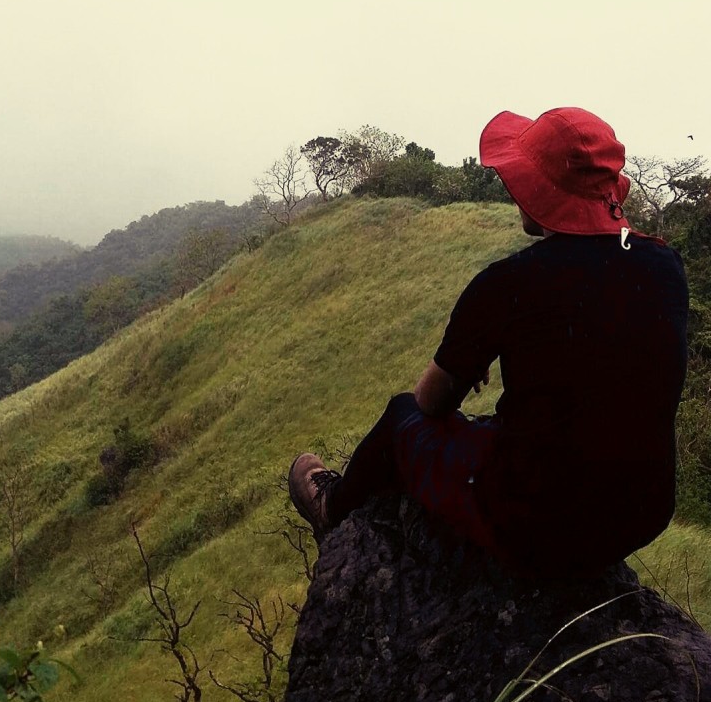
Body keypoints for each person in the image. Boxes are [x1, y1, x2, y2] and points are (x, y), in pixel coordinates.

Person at [289, 107, 689, 576]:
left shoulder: (509, 283)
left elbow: (431, 402)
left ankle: (332, 507)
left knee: (402, 414)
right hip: (640, 513)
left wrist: (473, 356)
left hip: (534, 525)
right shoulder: (665, 265)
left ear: (537, 190)